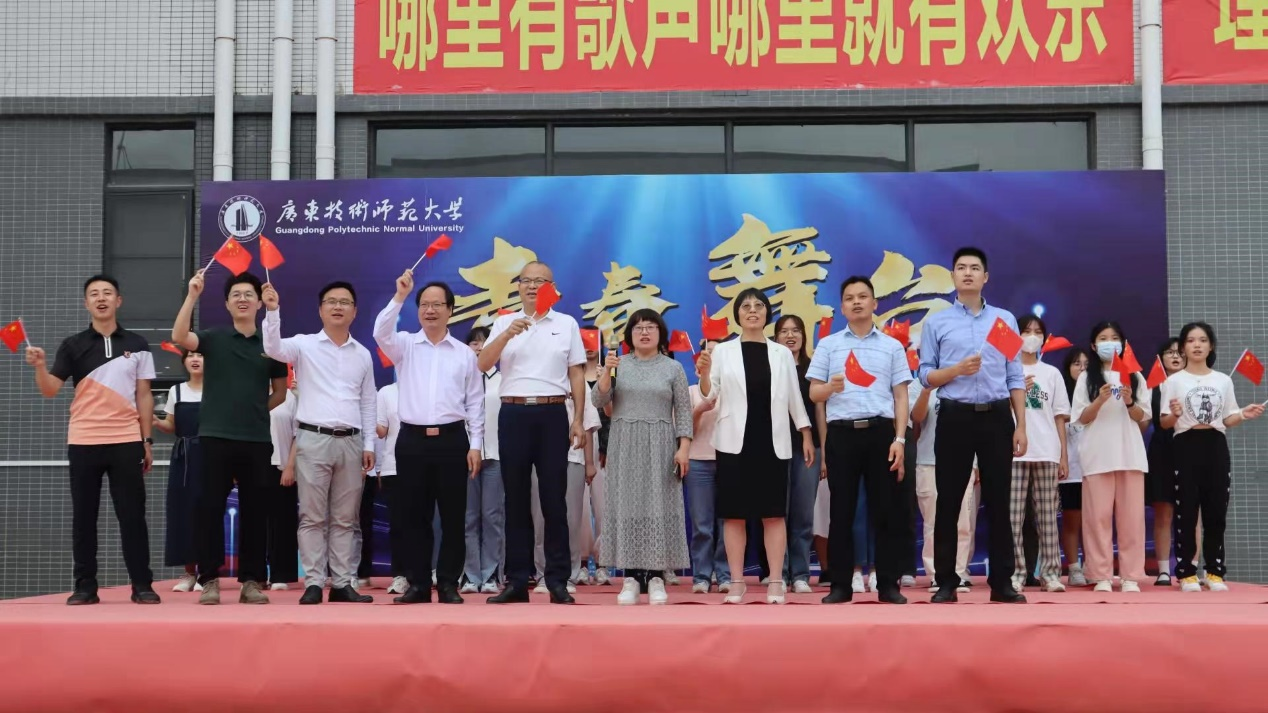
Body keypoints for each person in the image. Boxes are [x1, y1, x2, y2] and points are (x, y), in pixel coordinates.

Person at [26, 275, 159, 605]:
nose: (101, 298)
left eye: (107, 293)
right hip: (84, 439)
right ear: (86, 303)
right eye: (94, 294)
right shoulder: (72, 345)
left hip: (126, 439)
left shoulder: (139, 344)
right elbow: (50, 389)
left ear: (118, 300)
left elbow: (144, 395)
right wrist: (40, 367)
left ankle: (142, 584)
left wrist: (147, 440)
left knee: (132, 515)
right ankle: (85, 586)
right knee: (84, 517)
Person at [917, 247, 1027, 604]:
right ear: (952, 276)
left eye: (975, 268)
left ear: (986, 277)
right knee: (949, 502)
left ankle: (1002, 583)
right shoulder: (937, 322)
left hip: (997, 417)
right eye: (961, 267)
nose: (968, 273)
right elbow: (925, 375)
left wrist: (1021, 426)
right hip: (954, 417)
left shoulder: (1003, 321)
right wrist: (955, 371)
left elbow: (1015, 376)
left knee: (998, 502)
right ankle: (947, 582)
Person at [171, 271, 288, 605]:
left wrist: (254, 411)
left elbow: (280, 393)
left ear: (259, 302)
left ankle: (251, 581)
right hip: (214, 437)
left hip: (256, 440)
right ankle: (208, 579)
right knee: (209, 509)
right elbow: (179, 336)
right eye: (236, 294)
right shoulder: (214, 337)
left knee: (255, 511)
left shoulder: (271, 345)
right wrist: (192, 295)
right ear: (226, 303)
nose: (242, 299)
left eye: (248, 294)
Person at [478, 261, 587, 605]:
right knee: (515, 499)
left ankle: (557, 580)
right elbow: (483, 364)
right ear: (518, 286)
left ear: (551, 288)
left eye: (540, 282)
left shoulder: (566, 324)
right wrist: (506, 335)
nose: (532, 286)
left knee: (554, 500)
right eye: (526, 280)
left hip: (553, 413)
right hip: (513, 413)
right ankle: (517, 581)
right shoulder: (503, 322)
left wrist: (578, 419)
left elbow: (576, 374)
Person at [262, 279, 377, 605]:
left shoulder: (363, 354)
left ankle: (342, 583)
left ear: (354, 311)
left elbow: (368, 402)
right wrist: (272, 311)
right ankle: (313, 582)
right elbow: (273, 348)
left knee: (345, 519)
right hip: (313, 439)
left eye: (344, 302)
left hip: (351, 442)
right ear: (321, 310)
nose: (338, 306)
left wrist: (369, 445)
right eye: (331, 301)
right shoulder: (304, 345)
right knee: (312, 516)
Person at [697, 287, 813, 605]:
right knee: (734, 515)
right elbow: (710, 395)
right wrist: (704, 374)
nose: (752, 310)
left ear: (766, 313)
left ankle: (776, 580)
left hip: (772, 441)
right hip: (733, 442)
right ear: (737, 314)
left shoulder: (781, 353)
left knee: (773, 514)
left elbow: (794, 398)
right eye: (745, 306)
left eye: (758, 305)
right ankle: (736, 581)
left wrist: (805, 432)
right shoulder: (723, 351)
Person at [374, 272, 484, 604]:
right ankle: (419, 584)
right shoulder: (404, 345)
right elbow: (380, 332)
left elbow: (475, 402)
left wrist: (476, 445)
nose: (430, 310)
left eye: (437, 305)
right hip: (412, 440)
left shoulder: (464, 354)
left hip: (452, 440)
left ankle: (449, 583)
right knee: (413, 516)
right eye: (424, 305)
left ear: (450, 310)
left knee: (453, 516)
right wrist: (399, 296)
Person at [808, 276, 911, 605]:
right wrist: (830, 388)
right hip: (842, 435)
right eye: (850, 298)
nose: (856, 302)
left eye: (863, 296)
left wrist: (899, 439)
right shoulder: (829, 345)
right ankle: (840, 585)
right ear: (842, 307)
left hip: (881, 433)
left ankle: (888, 585)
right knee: (841, 512)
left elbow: (901, 396)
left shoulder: (891, 346)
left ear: (874, 303)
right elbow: (814, 393)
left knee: (886, 511)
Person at [593, 309, 692, 605]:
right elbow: (599, 400)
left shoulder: (673, 368)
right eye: (638, 328)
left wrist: (684, 447)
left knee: (658, 507)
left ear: (661, 334)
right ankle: (631, 577)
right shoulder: (618, 364)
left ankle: (657, 576)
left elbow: (683, 410)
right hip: (624, 443)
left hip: (661, 443)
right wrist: (607, 373)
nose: (645, 332)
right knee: (628, 507)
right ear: (629, 336)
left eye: (650, 327)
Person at [1161, 322, 1263, 592]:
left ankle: (1215, 572)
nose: (1197, 345)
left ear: (1211, 346)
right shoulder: (1173, 381)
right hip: (1185, 444)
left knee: (1216, 510)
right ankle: (1186, 572)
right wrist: (1175, 414)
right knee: (1186, 510)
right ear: (1183, 347)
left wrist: (1243, 414)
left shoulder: (1223, 380)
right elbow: (1165, 422)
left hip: (1215, 445)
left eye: (1202, 340)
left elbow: (1227, 418)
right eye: (1191, 340)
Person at [1070, 321, 1151, 593]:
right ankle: (1101, 575)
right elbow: (1081, 418)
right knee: (1097, 520)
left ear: (1123, 344)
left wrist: (1129, 402)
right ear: (1094, 346)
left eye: (1114, 338)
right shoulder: (1087, 378)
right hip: (1097, 456)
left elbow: (1143, 418)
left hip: (1130, 456)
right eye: (1103, 338)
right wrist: (1099, 400)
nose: (1109, 343)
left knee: (1131, 520)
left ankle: (1130, 576)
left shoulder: (1135, 376)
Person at [1010, 315, 1071, 593]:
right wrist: (1017, 393)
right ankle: (1016, 573)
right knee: (1013, 517)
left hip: (1047, 450)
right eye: (1026, 331)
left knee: (1047, 517)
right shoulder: (1007, 371)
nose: (1032, 337)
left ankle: (1050, 573)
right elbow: (998, 411)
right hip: (1014, 452)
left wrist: (1063, 456)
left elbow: (1059, 417)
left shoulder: (1052, 373)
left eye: (1037, 332)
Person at [775, 315, 826, 594]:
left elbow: (819, 412)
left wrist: (824, 453)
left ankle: (801, 574)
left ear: (804, 336)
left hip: (809, 450)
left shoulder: (812, 369)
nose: (790, 336)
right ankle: (779, 573)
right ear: (776, 337)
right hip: (776, 449)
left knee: (803, 515)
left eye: (796, 331)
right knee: (777, 514)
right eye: (784, 331)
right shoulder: (772, 368)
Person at [910, 383, 977, 592]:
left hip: (962, 460)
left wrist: (976, 463)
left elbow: (976, 425)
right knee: (932, 521)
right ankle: (936, 574)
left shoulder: (966, 380)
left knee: (963, 522)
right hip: (928, 461)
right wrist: (927, 390)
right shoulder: (919, 383)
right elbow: (916, 417)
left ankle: (959, 572)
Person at [153, 349, 204, 592]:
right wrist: (154, 421)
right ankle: (189, 573)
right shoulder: (177, 390)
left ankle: (208, 572)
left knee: (208, 512)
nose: (195, 359)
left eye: (200, 355)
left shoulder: (218, 390)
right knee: (183, 512)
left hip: (210, 455)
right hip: (183, 456)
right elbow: (171, 425)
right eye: (190, 355)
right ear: (184, 361)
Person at [461, 326, 505, 594]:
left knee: (492, 516)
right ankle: (470, 575)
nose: (479, 347)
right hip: (466, 456)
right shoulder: (460, 379)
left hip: (496, 456)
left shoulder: (504, 380)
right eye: (473, 343)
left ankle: (490, 574)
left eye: (484, 342)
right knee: (468, 517)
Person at [686, 339, 730, 594]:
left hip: (729, 461)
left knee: (728, 523)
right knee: (702, 525)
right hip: (698, 461)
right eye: (707, 353)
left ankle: (725, 574)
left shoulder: (733, 390)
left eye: (716, 353)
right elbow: (684, 432)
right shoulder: (690, 391)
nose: (712, 357)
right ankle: (701, 575)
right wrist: (700, 409)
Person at [1146, 338, 1186, 586]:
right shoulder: (1153, 386)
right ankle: (1163, 570)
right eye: (1169, 352)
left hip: (1190, 448)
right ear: (1161, 358)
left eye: (1179, 352)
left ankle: (1189, 568)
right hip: (1162, 449)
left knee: (1192, 512)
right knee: (1163, 511)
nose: (1175, 356)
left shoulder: (1196, 384)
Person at [1059, 348, 1090, 587]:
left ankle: (1093, 565)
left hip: (1095, 468)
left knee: (1094, 522)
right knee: (1072, 520)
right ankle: (1074, 567)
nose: (1081, 368)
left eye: (1086, 364)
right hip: (1070, 470)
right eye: (1076, 363)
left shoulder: (1096, 393)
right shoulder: (1061, 395)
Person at [267, 368, 300, 591]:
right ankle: (254, 575)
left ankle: (281, 574)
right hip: (255, 466)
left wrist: (290, 467)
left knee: (283, 522)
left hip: (282, 466)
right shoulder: (251, 394)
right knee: (255, 522)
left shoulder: (289, 397)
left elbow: (299, 434)